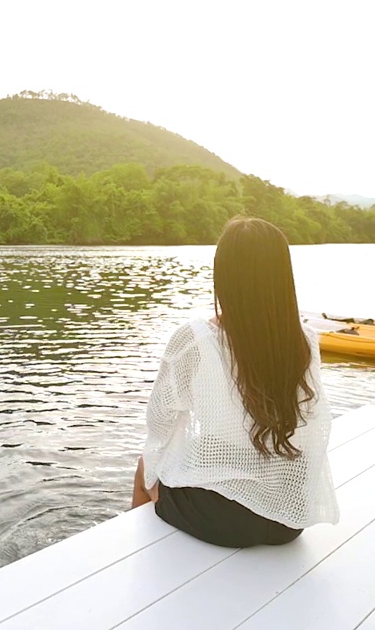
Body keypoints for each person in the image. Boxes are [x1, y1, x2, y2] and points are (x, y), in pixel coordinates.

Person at [131, 217, 339, 548]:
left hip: (224, 522)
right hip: (288, 517)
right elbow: (314, 424)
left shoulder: (194, 340)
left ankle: (139, 557)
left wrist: (158, 475)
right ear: (282, 278)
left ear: (224, 277)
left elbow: (159, 424)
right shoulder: (304, 340)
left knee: (145, 467)